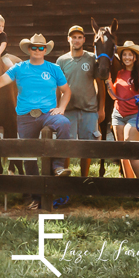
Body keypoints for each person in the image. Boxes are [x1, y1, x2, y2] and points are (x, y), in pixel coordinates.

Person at [0, 32, 73, 210]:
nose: (38, 50)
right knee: (28, 155)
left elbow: (67, 91)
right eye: (35, 47)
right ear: (29, 49)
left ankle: (58, 167)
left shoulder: (54, 68)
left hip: (48, 113)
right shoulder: (19, 68)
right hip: (26, 116)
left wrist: (61, 108)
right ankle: (36, 196)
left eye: (41, 47)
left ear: (45, 50)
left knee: (64, 123)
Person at [57, 25, 108, 177]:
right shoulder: (61, 61)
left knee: (88, 147)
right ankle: (65, 179)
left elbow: (100, 85)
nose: (77, 40)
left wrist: (101, 109)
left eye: (80, 37)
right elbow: (56, 87)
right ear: (68, 39)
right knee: (67, 147)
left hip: (89, 110)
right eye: (74, 37)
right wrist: (57, 109)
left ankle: (83, 179)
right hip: (68, 110)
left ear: (84, 40)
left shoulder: (92, 58)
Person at [109, 41, 139, 180]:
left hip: (136, 114)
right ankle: (129, 185)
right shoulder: (120, 73)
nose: (127, 57)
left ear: (135, 57)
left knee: (131, 151)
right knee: (122, 151)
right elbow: (114, 95)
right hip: (118, 115)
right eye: (124, 55)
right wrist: (107, 81)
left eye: (130, 55)